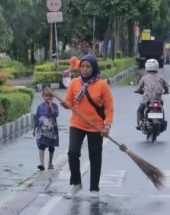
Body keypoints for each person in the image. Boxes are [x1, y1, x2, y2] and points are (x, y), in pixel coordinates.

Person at [57, 54, 114, 196]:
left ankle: (94, 187)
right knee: (72, 152)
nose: (85, 69)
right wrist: (65, 104)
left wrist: (106, 126)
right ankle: (76, 183)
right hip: (77, 124)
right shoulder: (75, 83)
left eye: (88, 67)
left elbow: (109, 107)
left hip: (96, 126)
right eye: (83, 66)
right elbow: (69, 102)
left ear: (94, 68)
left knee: (95, 157)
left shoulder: (102, 85)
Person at [135, 59, 169, 130]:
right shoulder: (160, 77)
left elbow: (139, 88)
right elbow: (166, 86)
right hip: (158, 100)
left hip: (147, 100)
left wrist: (138, 91)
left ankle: (140, 123)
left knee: (139, 110)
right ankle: (162, 121)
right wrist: (166, 91)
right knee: (162, 109)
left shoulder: (144, 78)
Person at [33, 87, 59, 171]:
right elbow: (36, 117)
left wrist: (51, 107)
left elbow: (55, 115)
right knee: (41, 146)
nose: (48, 97)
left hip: (52, 130)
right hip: (42, 130)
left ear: (53, 97)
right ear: (43, 96)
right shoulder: (40, 106)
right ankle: (42, 163)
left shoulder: (55, 106)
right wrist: (34, 128)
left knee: (51, 147)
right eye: (46, 95)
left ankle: (50, 162)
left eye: (50, 96)